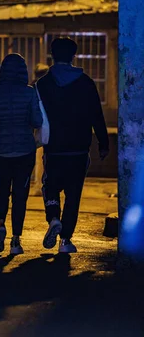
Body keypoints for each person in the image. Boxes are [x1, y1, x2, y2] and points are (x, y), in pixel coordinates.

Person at [36, 37, 109, 254]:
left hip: (54, 147)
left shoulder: (43, 84)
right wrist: (103, 143)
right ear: (73, 56)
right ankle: (65, 240)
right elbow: (97, 113)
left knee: (50, 186)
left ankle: (53, 217)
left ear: (52, 54)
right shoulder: (86, 82)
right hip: (79, 147)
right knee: (73, 194)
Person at [0, 53, 43, 256]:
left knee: (1, 190)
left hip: (0, 149)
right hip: (25, 150)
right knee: (20, 195)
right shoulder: (29, 93)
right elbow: (37, 121)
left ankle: (0, 225)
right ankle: (16, 240)